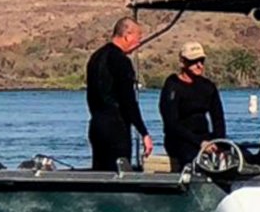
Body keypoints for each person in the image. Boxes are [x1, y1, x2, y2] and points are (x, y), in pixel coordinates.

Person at [84, 17, 150, 171]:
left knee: (100, 172)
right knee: (119, 172)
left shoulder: (95, 58)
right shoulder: (121, 61)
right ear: (127, 35)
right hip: (116, 128)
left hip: (97, 125)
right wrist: (143, 133)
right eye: (137, 38)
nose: (138, 43)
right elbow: (128, 101)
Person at [158, 41, 227, 172]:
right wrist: (199, 142)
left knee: (238, 154)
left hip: (205, 137)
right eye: (194, 61)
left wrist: (218, 142)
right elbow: (171, 123)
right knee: (192, 158)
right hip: (180, 139)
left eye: (202, 61)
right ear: (183, 62)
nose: (199, 65)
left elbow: (218, 119)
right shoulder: (173, 86)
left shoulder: (208, 87)